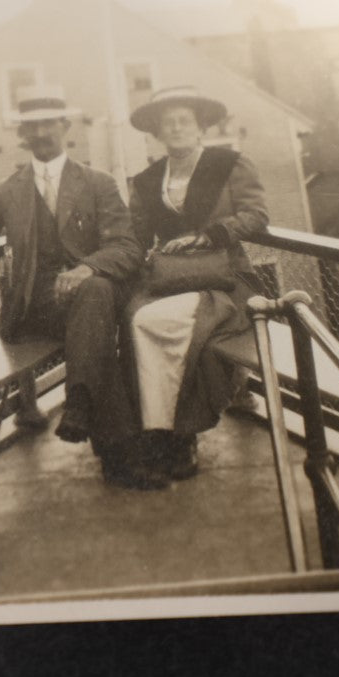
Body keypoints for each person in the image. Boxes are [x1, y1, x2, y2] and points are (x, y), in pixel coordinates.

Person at [0, 85, 161, 490]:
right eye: (32, 127)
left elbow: (128, 246)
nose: (41, 132)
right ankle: (111, 448)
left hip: (91, 293)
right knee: (95, 340)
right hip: (35, 307)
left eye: (48, 123)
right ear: (22, 135)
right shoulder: (5, 191)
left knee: (93, 292)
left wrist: (86, 268)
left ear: (66, 126)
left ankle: (83, 407)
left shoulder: (98, 183)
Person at [124, 85, 269, 481]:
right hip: (171, 278)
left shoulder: (230, 164)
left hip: (224, 278)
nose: (176, 128)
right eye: (167, 123)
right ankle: (158, 431)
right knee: (133, 316)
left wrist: (210, 235)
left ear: (200, 125)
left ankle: (180, 431)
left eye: (184, 120)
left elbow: (257, 215)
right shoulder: (147, 179)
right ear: (157, 132)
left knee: (156, 324)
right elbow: (135, 236)